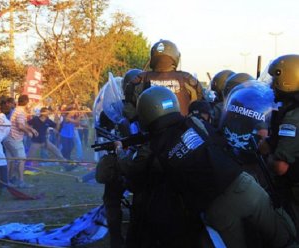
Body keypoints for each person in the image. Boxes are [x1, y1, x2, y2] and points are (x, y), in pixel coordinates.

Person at [127, 85, 297, 247]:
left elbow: (133, 174)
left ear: (145, 113)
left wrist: (120, 150)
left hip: (214, 206)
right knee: (286, 239)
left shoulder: (152, 150)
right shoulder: (194, 123)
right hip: (242, 184)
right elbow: (221, 140)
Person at [261, 54, 299, 234]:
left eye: (275, 77)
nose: (271, 84)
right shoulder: (290, 108)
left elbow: (280, 167)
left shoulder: (292, 117)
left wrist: (267, 154)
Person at [124, 39, 203, 120]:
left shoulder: (140, 79)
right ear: (175, 56)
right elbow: (198, 104)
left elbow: (130, 111)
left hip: (150, 130)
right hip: (182, 130)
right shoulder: (188, 79)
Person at [3, 95, 37, 188]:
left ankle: (8, 181)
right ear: (27, 102)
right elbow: (20, 126)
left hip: (8, 137)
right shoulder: (21, 112)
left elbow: (23, 123)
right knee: (22, 159)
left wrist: (31, 130)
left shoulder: (16, 110)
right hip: (15, 138)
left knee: (10, 160)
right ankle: (21, 182)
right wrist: (28, 133)